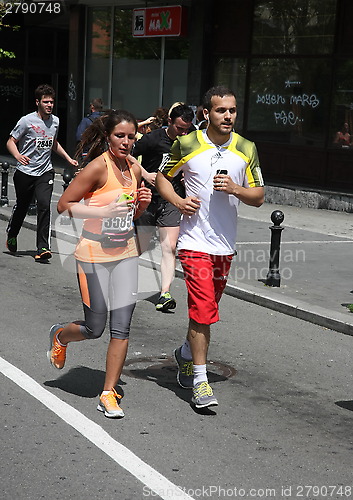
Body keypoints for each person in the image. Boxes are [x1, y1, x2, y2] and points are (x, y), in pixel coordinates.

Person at [156, 86, 265, 409]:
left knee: (207, 311)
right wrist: (177, 200)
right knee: (202, 310)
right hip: (193, 242)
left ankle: (186, 354)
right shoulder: (187, 143)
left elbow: (259, 196)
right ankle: (200, 382)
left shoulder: (246, 148)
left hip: (224, 245)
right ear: (207, 113)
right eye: (221, 110)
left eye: (232, 110)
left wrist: (236, 188)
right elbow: (163, 177)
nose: (228, 116)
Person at [48, 109, 151, 419]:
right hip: (93, 256)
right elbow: (64, 205)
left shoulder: (132, 168)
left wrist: (141, 205)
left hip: (126, 255)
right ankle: (61, 335)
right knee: (95, 328)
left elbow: (129, 216)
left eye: (132, 136)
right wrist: (101, 212)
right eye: (120, 135)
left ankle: (107, 393)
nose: (127, 141)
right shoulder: (97, 167)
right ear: (108, 136)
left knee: (122, 328)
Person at [133, 103, 194, 312]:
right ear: (170, 122)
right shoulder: (153, 139)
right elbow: (128, 153)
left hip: (172, 200)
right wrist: (144, 172)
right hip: (149, 199)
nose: (184, 133)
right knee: (139, 247)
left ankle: (164, 293)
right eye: (180, 128)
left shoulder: (191, 140)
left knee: (169, 248)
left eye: (187, 129)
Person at [6, 83, 78, 261]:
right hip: (25, 171)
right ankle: (12, 233)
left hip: (45, 171)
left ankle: (43, 247)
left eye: (52, 102)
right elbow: (10, 141)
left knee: (44, 205)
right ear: (37, 102)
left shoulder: (55, 121)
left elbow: (53, 142)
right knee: (22, 206)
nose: (50, 105)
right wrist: (18, 155)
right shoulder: (26, 121)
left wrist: (68, 159)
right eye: (46, 102)